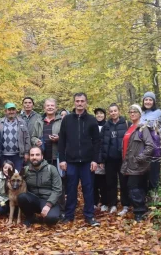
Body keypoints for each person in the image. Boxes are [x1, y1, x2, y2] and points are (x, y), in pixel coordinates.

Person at [58, 92, 100, 226]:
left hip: (87, 162)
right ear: (74, 102)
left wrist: (95, 160)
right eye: (77, 101)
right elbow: (62, 141)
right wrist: (62, 159)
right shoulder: (67, 119)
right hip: (71, 161)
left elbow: (97, 142)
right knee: (70, 189)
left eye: (82, 101)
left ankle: (89, 215)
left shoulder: (92, 119)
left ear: (86, 102)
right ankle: (69, 215)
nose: (80, 103)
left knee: (88, 189)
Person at [31, 98, 65, 214]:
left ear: (56, 107)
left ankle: (60, 208)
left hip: (57, 157)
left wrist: (59, 138)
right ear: (44, 108)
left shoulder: (62, 121)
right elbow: (33, 137)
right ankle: (42, 206)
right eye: (48, 106)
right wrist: (36, 142)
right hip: (42, 158)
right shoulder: (39, 121)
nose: (50, 107)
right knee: (43, 182)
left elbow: (67, 137)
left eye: (52, 105)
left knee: (59, 183)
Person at [121, 104, 154, 222]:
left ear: (140, 113)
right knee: (130, 187)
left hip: (137, 164)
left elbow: (150, 146)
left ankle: (140, 212)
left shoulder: (143, 128)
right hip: (127, 163)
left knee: (133, 187)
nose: (132, 113)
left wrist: (140, 158)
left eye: (135, 111)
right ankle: (138, 209)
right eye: (130, 112)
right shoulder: (129, 127)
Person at [17, 147, 62, 226]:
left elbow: (57, 190)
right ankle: (30, 217)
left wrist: (48, 205)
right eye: (32, 155)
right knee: (21, 197)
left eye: (37, 155)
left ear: (42, 156)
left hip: (48, 199)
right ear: (29, 157)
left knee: (51, 219)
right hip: (33, 199)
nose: (34, 157)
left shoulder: (51, 169)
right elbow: (17, 180)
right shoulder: (26, 170)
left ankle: (48, 215)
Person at [100, 103, 131, 216]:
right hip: (110, 160)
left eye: (115, 111)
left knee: (124, 183)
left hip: (123, 160)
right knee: (110, 183)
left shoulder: (126, 124)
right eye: (111, 111)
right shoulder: (106, 126)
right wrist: (101, 160)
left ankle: (125, 205)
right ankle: (112, 204)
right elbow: (101, 143)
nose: (113, 113)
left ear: (119, 111)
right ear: (109, 113)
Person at [0, 103, 31, 172]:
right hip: (3, 155)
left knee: (17, 175)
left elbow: (27, 138)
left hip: (18, 155)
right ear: (5, 111)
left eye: (13, 109)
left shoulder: (21, 122)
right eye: (9, 110)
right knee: (4, 175)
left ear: (16, 111)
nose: (11, 112)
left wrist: (27, 152)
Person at [93, 108, 107, 211]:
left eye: (101, 113)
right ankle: (94, 201)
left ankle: (104, 202)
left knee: (103, 183)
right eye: (97, 113)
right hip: (92, 159)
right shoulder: (92, 126)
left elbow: (105, 144)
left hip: (103, 159)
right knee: (93, 182)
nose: (99, 115)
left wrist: (102, 160)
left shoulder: (107, 126)